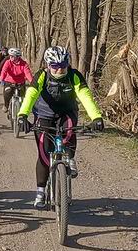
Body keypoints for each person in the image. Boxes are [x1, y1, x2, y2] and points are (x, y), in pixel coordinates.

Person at [17, 46, 104, 208]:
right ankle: (40, 192)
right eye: (55, 67)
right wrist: (22, 115)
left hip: (67, 112)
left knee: (69, 132)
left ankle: (69, 158)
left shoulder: (74, 75)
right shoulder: (41, 76)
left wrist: (96, 116)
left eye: (63, 66)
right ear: (48, 65)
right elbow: (31, 95)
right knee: (43, 153)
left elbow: (85, 96)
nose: (59, 70)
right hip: (44, 114)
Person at [0, 47, 33, 114]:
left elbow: (28, 74)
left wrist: (32, 82)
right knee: (7, 92)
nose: (10, 57)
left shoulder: (24, 64)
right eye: (10, 56)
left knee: (22, 97)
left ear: (17, 57)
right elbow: (4, 71)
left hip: (20, 83)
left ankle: (21, 111)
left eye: (12, 56)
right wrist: (1, 80)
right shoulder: (8, 62)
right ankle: (6, 105)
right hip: (9, 82)